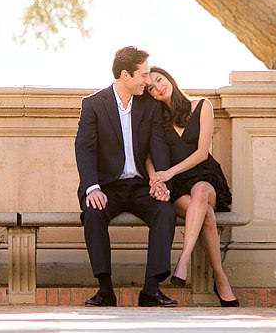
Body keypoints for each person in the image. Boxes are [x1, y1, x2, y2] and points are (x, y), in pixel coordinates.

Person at [74, 45, 178, 307]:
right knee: (93, 212)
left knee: (165, 211)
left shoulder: (149, 106)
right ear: (125, 75)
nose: (148, 80)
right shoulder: (93, 105)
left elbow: (159, 146)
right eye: (143, 75)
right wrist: (92, 188)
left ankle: (151, 290)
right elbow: (84, 148)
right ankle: (105, 289)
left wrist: (162, 183)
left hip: (141, 185)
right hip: (106, 186)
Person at [146, 65, 240, 307]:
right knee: (206, 215)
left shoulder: (201, 105)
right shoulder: (157, 119)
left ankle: (183, 260)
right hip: (176, 186)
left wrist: (170, 171)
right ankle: (220, 279)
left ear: (169, 77)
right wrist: (155, 177)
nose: (158, 87)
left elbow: (201, 152)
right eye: (151, 88)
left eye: (159, 79)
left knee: (200, 191)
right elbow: (148, 155)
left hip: (205, 176)